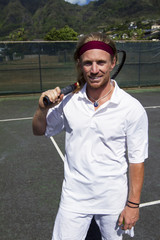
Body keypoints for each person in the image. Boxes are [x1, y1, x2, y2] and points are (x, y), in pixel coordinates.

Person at [32, 32, 148, 240]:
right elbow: (40, 130)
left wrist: (132, 205)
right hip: (74, 198)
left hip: (113, 199)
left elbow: (136, 161)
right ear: (80, 64)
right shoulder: (69, 101)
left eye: (101, 62)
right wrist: (42, 109)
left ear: (113, 62)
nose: (95, 70)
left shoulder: (132, 108)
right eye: (88, 63)